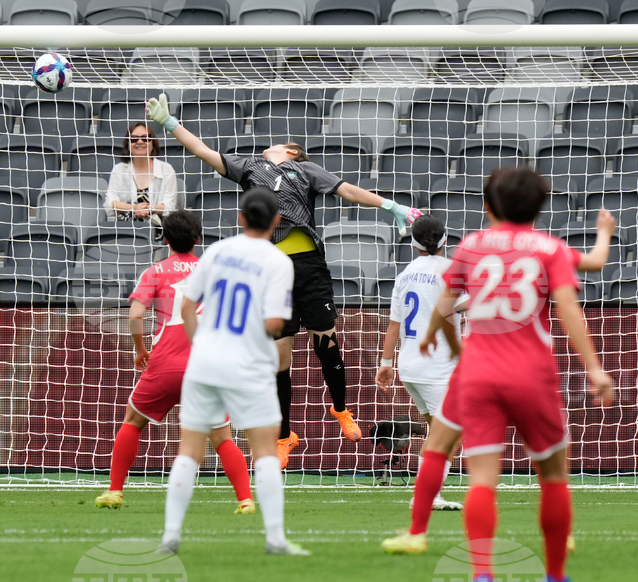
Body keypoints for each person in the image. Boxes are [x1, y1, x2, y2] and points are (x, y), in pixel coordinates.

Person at [146, 93, 421, 467]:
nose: (272, 144)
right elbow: (203, 151)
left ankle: (341, 408)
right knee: (279, 359)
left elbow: (349, 192)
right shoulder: (248, 167)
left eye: (282, 144)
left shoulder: (306, 170)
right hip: (272, 272)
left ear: (292, 152)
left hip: (308, 267)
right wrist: (170, 124)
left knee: (326, 345)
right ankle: (284, 435)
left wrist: (391, 206)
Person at [380, 174, 617, 556]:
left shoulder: (472, 246)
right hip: (531, 371)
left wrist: (444, 343)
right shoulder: (548, 247)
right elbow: (585, 281)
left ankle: (422, 536)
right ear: (540, 209)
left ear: (488, 207)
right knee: (553, 475)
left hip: (476, 369)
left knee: (457, 461)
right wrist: (604, 231)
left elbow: (444, 307)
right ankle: (558, 547)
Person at [160, 189, 306, 555]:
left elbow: (189, 306)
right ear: (276, 222)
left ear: (240, 218)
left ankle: (170, 537)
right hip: (249, 364)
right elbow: (274, 322)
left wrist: (202, 345)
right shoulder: (278, 262)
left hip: (206, 361)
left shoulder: (217, 252)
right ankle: (275, 539)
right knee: (265, 452)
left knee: (189, 451)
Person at [95, 211, 254, 513]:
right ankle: (245, 500)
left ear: (165, 239)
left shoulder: (154, 272)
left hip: (166, 363)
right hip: (207, 366)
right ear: (198, 239)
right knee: (221, 437)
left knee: (133, 421)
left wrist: (140, 350)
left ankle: (115, 491)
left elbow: (135, 316)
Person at [375, 214, 467, 513]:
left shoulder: (405, 275)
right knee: (450, 435)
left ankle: (426, 489)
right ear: (445, 239)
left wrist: (386, 362)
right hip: (437, 365)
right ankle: (427, 494)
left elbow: (393, 325)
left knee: (436, 431)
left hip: (409, 366)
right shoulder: (449, 269)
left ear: (412, 242)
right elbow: (462, 302)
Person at [104, 122, 179, 231]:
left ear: (153, 144)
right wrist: (135, 208)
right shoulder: (118, 169)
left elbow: (169, 206)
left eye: (145, 138)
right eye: (134, 139)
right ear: (128, 145)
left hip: (158, 230)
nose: (140, 142)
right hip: (124, 231)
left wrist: (149, 209)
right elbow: (110, 203)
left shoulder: (166, 169)